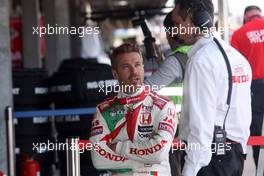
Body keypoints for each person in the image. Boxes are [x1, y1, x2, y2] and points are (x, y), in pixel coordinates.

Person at [171, 0, 252, 175]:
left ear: (194, 18)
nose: (175, 31)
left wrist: (189, 170)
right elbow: (244, 115)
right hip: (235, 156)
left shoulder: (201, 61)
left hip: (209, 161)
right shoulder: (239, 59)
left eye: (178, 24)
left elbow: (201, 127)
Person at [89, 43, 177, 176]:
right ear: (115, 74)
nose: (134, 72)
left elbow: (159, 153)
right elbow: (98, 159)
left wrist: (118, 147)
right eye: (126, 67)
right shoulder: (104, 110)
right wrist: (144, 162)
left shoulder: (163, 106)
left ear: (143, 66)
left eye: (137, 65)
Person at [230, 5, 264, 166]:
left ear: (245, 17)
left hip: (254, 89)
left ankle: (260, 167)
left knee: (257, 133)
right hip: (254, 87)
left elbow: (233, 67)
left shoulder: (239, 34)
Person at [145, 12, 191, 86]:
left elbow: (144, 90)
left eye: (166, 32)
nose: (166, 37)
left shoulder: (175, 61)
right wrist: (161, 59)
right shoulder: (197, 49)